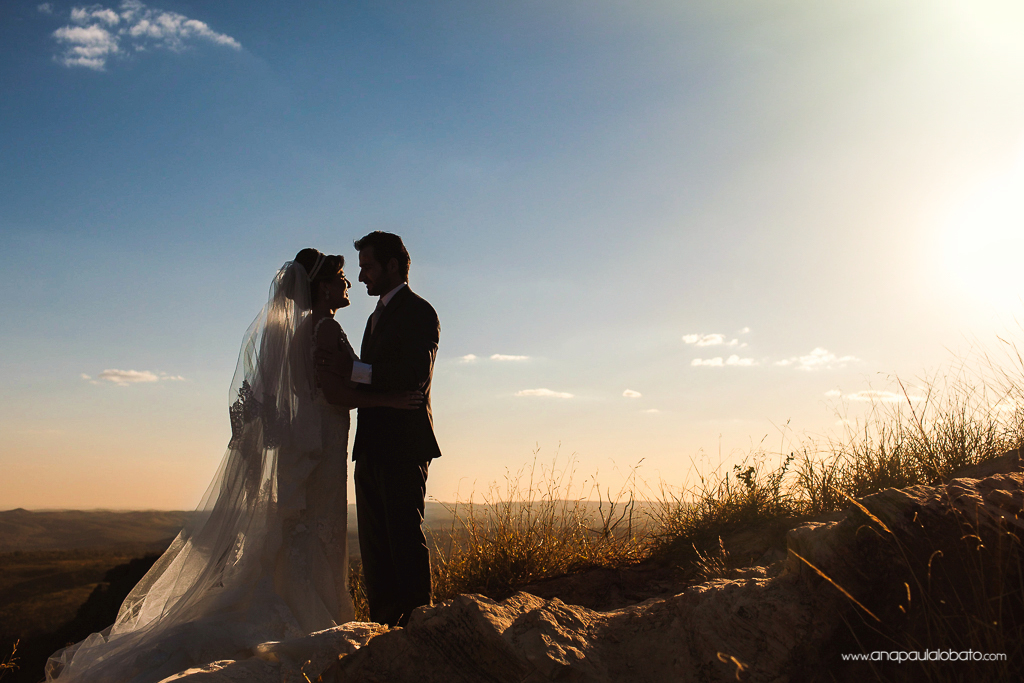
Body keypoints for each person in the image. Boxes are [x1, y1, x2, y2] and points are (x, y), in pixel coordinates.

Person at [45, 250, 420, 683]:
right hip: (323, 446)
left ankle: (306, 607)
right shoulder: (326, 328)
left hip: (313, 446)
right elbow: (334, 395)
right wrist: (389, 399)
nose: (347, 284)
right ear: (320, 289)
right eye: (340, 278)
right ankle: (313, 617)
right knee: (318, 531)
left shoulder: (295, 331)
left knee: (305, 534)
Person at [318, 231, 442, 628]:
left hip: (405, 444)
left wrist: (350, 370)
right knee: (374, 546)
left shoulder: (419, 311)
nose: (362, 276)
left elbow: (413, 376)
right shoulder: (375, 318)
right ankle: (386, 627)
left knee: (403, 537)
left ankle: (418, 628)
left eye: (368, 267)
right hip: (369, 445)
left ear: (392, 266)